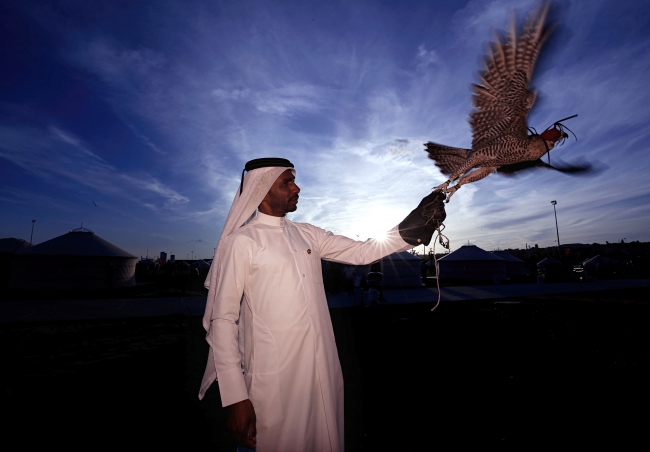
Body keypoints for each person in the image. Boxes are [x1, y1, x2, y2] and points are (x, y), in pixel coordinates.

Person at [199, 157, 446, 451]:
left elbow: (363, 251)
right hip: (275, 379)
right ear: (262, 190)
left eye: (294, 180)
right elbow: (223, 320)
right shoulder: (243, 242)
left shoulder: (308, 233)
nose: (297, 187)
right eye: (287, 182)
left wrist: (416, 224)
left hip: (323, 372)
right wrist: (236, 397)